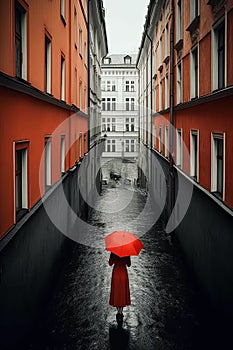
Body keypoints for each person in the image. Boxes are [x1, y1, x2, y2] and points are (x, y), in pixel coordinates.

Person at [109, 252, 131, 325]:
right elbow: (129, 264)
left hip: (116, 273)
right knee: (122, 292)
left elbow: (110, 263)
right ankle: (120, 312)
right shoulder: (127, 251)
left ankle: (118, 311)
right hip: (123, 273)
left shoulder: (113, 251)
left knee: (116, 292)